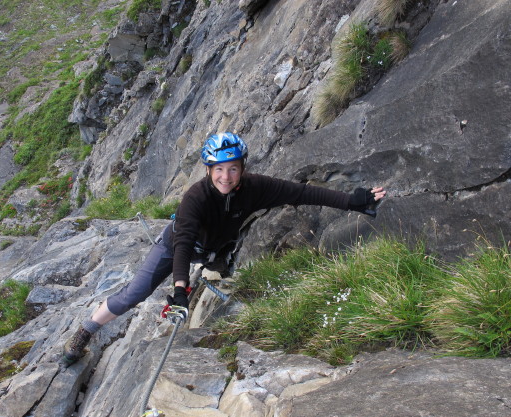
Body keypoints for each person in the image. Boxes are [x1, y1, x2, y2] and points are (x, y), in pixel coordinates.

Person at [61, 132, 386, 366]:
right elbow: (184, 245)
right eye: (219, 169)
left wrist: (352, 202)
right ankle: (85, 332)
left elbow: (300, 193)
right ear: (208, 170)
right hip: (175, 247)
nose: (226, 176)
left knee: (238, 282)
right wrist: (179, 288)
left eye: (232, 168)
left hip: (220, 251)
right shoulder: (196, 198)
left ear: (242, 167)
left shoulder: (256, 188)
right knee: (134, 293)